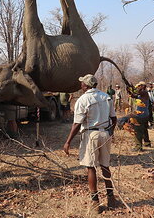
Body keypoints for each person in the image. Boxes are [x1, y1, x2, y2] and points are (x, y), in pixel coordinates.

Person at [63, 74, 117, 212]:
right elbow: (114, 118)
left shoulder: (83, 99)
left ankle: (95, 203)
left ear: (85, 86)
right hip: (105, 133)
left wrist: (68, 142)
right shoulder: (106, 97)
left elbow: (77, 124)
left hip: (91, 134)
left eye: (82, 83)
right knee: (105, 166)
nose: (80, 85)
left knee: (91, 167)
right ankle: (111, 199)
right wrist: (111, 131)